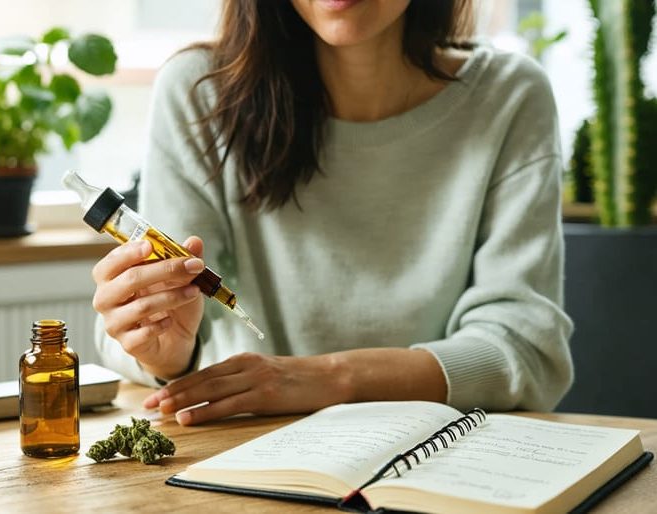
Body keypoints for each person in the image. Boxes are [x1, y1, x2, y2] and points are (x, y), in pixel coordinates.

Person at [92, 0, 573, 426]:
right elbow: (161, 325)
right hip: (245, 457)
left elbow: (524, 352)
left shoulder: (509, 97)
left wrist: (329, 378)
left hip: (445, 459)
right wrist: (166, 351)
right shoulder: (198, 91)